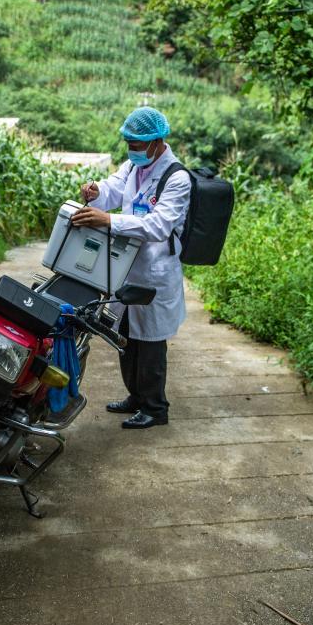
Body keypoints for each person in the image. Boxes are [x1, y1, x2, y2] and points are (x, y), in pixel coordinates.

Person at [70, 107, 190, 429]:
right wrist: (96, 193)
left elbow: (158, 226)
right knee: (125, 338)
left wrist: (109, 220)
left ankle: (155, 408)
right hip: (127, 267)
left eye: (137, 144)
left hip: (155, 272)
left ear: (157, 141)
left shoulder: (177, 178)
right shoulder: (134, 166)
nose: (131, 150)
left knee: (149, 343)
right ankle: (136, 397)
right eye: (129, 144)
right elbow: (112, 188)